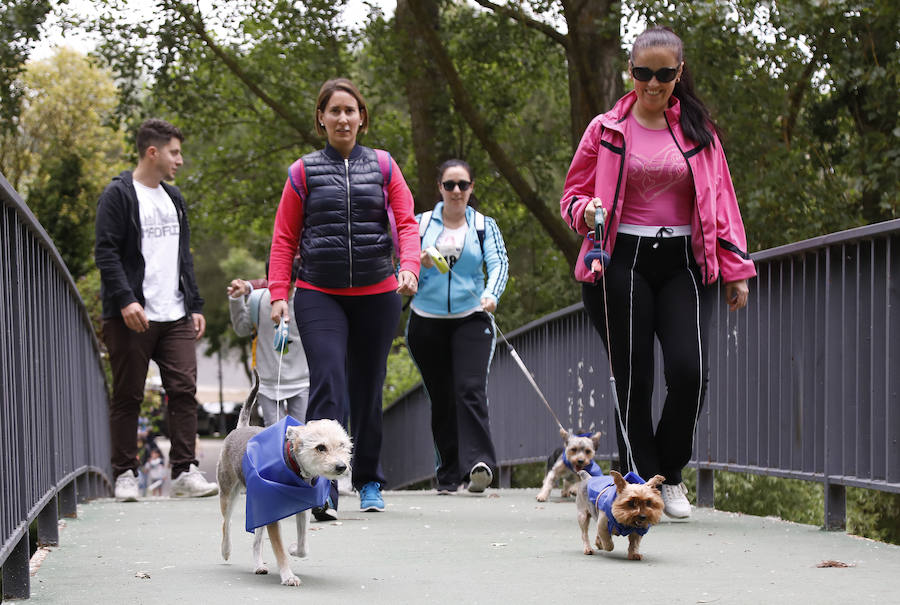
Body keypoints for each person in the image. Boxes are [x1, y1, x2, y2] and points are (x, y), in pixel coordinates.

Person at [559, 26, 756, 519]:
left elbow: (723, 204)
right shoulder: (605, 129)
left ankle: (669, 474)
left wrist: (736, 270)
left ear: (679, 73)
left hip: (683, 263)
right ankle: (638, 484)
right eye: (643, 73)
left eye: (664, 74)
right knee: (634, 375)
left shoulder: (698, 131)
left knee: (690, 371)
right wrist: (585, 212)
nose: (653, 83)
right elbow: (571, 198)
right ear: (631, 72)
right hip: (620, 258)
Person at [268, 78, 420, 513]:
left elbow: (407, 224)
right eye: (333, 110)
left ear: (362, 118)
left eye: (350, 110)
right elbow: (284, 237)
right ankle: (323, 489)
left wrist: (408, 267)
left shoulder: (385, 166)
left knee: (369, 388)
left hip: (378, 293)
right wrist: (279, 291)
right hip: (320, 293)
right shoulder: (303, 171)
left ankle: (369, 479)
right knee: (329, 384)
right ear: (321, 118)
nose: (342, 118)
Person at [95, 118, 218, 502]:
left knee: (183, 391)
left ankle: (183, 471)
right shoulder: (119, 195)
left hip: (176, 314)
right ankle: (125, 474)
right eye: (174, 152)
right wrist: (126, 300)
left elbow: (184, 258)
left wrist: (194, 304)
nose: (179, 159)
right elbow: (107, 252)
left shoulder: (174, 199)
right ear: (153, 152)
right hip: (133, 315)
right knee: (128, 394)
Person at [405, 159, 509, 494]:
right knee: (442, 397)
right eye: (449, 185)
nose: (456, 191)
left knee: (470, 389)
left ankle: (478, 465)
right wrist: (416, 266)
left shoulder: (483, 225)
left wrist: (491, 295)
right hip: (426, 321)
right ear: (439, 188)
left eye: (463, 185)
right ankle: (449, 472)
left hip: (472, 317)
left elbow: (499, 263)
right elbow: (401, 274)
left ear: (471, 188)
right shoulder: (419, 225)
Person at [226, 259, 337, 520]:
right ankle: (277, 496)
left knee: (306, 444)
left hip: (301, 380)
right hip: (268, 381)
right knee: (275, 444)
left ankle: (316, 500)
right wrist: (236, 300)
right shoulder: (259, 300)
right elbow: (242, 327)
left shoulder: (308, 301)